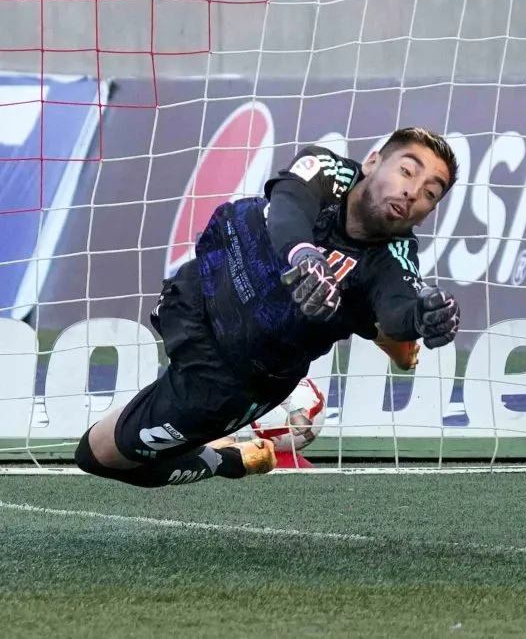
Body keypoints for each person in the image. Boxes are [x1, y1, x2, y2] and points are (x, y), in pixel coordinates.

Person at [73, 127, 461, 487]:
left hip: (228, 379)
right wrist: (303, 254)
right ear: (373, 162)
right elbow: (290, 204)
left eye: (430, 193)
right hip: (193, 295)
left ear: (428, 213)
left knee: (96, 455)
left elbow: (400, 307)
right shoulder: (327, 169)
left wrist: (421, 319)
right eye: (407, 171)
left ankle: (226, 460)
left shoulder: (393, 260)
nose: (413, 191)